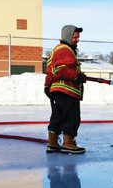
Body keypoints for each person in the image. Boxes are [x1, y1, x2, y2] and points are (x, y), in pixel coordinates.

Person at [44, 25, 88, 154]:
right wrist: (76, 76)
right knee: (71, 116)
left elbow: (52, 71)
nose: (77, 39)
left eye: (78, 37)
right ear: (68, 36)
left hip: (58, 90)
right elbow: (61, 69)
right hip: (67, 90)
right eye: (75, 37)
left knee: (58, 116)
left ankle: (52, 143)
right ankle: (68, 143)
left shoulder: (58, 50)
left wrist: (47, 86)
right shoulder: (65, 50)